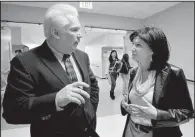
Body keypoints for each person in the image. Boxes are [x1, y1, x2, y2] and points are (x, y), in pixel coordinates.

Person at [3, 4, 99, 137]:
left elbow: (93, 86)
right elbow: (12, 111)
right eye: (74, 30)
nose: (80, 35)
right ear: (55, 33)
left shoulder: (82, 56)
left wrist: (90, 111)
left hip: (88, 131)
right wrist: (55, 100)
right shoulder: (25, 62)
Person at [121, 26, 194, 137]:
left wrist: (157, 114)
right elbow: (133, 100)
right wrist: (125, 104)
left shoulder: (173, 74)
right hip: (131, 130)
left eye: (138, 45)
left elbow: (187, 112)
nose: (132, 48)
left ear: (153, 50)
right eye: (133, 44)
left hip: (157, 133)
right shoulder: (134, 72)